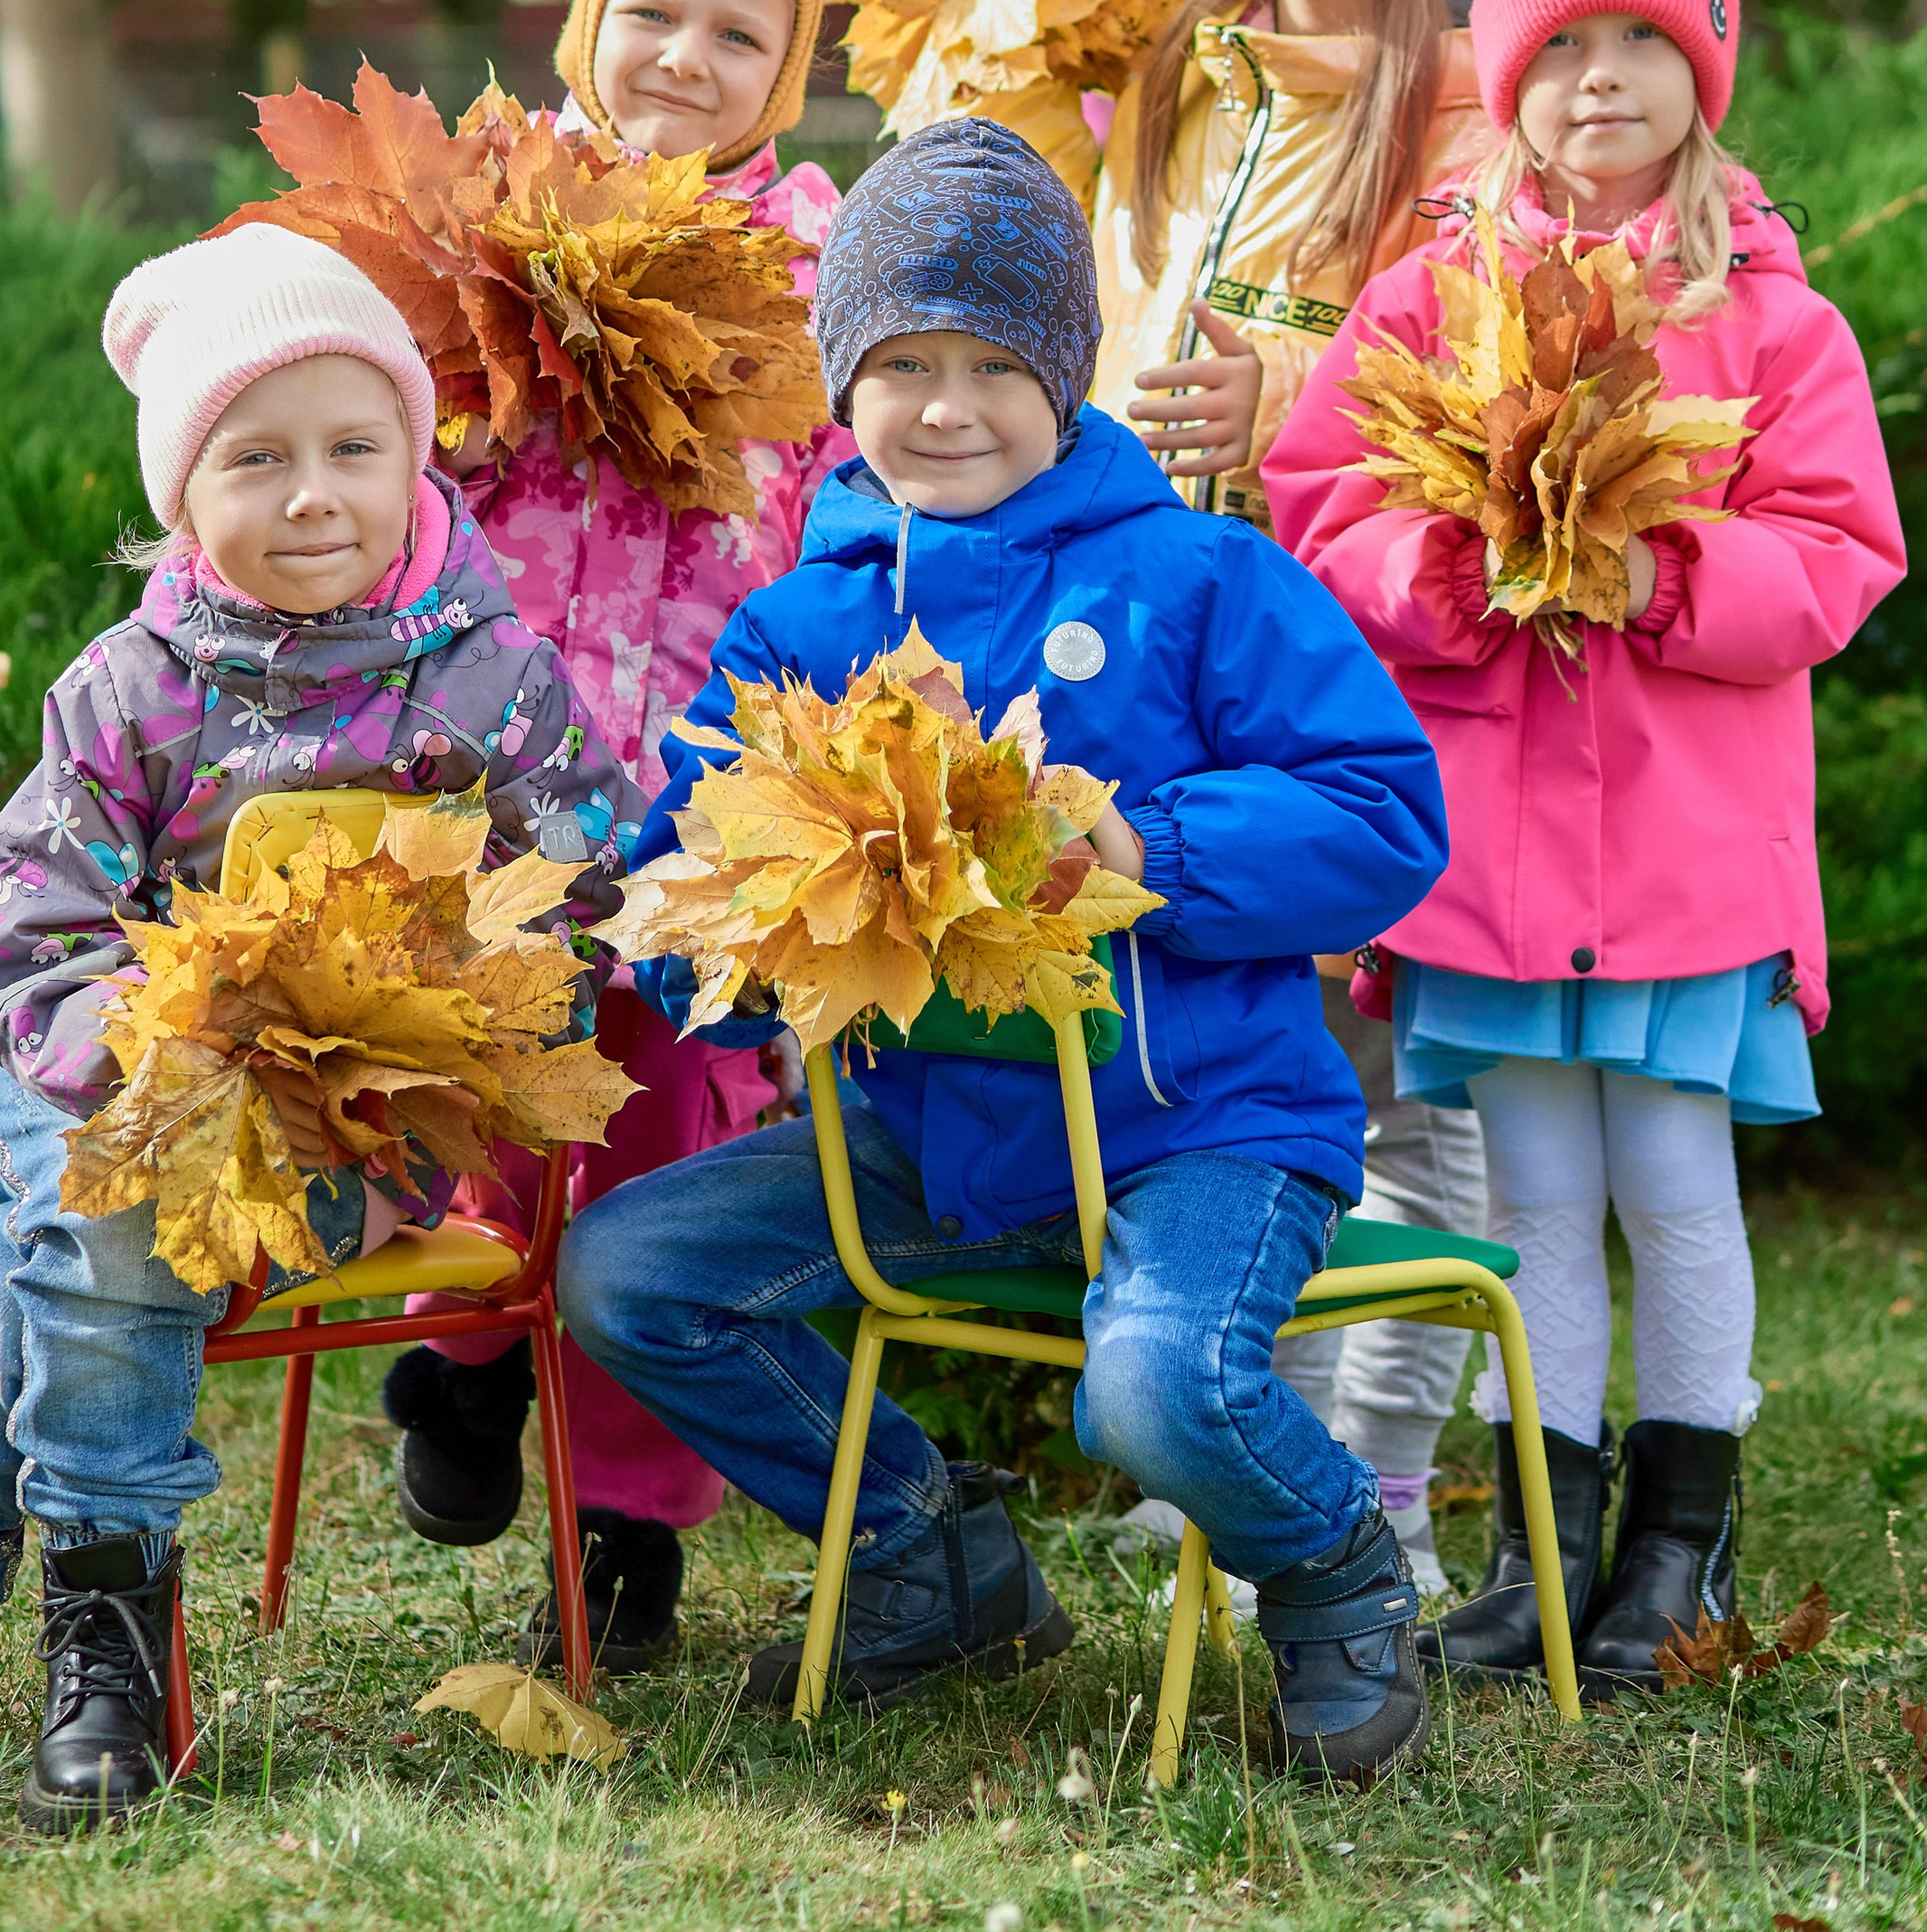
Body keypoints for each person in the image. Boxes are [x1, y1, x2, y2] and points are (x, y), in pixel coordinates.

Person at [0, 223, 641, 1830]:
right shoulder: (128, 692)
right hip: (99, 1081)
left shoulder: (500, 686)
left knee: (58, 1252)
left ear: (416, 453)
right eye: (255, 459)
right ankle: (105, 1647)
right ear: (183, 494)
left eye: (353, 447)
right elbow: (26, 940)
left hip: (346, 1125)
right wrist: (140, 1040)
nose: (312, 495)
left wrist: (448, 1021)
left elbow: (581, 901)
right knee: (112, 1196)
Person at [559, 116, 1452, 1784]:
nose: (947, 406)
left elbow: (1386, 818)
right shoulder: (800, 626)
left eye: (995, 365)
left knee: (1156, 1391)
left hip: (1201, 1126)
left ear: (1066, 376)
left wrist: (1151, 846)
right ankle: (927, 1552)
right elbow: (693, 878)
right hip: (926, 1141)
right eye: (903, 363)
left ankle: (1335, 1565)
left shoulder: (1200, 577)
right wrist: (700, 941)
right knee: (630, 1277)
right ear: (847, 379)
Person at [1264, 0, 1903, 1688]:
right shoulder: (1424, 301)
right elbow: (1324, 503)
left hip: (1689, 853)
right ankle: (1542, 1544)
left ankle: (1679, 1551)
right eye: (1554, 44)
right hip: (1496, 847)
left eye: (1637, 39)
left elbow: (1837, 551)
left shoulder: (1767, 322)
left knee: (1672, 1182)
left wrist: (1663, 572)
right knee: (1530, 1191)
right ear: (1503, 73)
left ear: (1703, 60)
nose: (1595, 78)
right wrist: (1445, 574)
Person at [963, 0, 1509, 1594]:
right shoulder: (1181, 76)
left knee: (1401, 1075)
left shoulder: (1466, 117)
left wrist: (1293, 409)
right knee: (1209, 1052)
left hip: (1363, 661)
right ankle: (1227, 1429)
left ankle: (1382, 1477)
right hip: (1161, 656)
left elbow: (1495, 382)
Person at [381, 0, 854, 1671]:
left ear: (786, 74)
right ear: (588, 16)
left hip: (703, 782)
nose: (685, 57)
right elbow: (394, 448)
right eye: (653, 11)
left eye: (740, 35)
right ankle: (463, 1352)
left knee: (667, 1127)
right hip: (492, 761)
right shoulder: (485, 219)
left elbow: (848, 493)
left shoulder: (809, 263)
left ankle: (628, 1524)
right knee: (492, 1083)